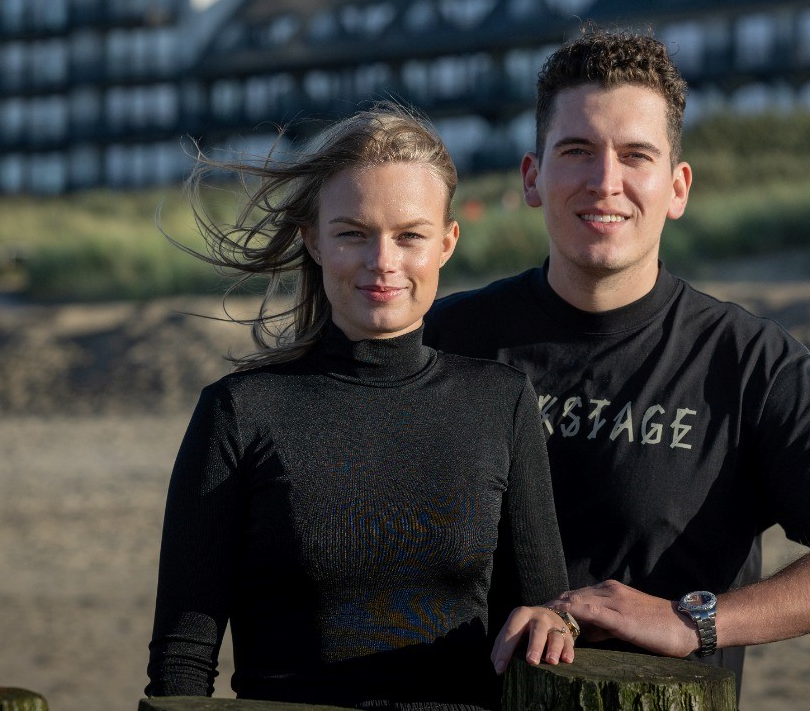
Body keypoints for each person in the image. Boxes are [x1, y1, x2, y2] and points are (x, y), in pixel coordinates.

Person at [425, 27, 810, 685]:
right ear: (533, 176)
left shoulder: (746, 362)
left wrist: (695, 618)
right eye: (577, 150)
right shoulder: (448, 336)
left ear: (677, 186)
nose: (605, 181)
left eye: (636, 155)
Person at [145, 104, 577, 710]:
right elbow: (182, 661)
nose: (383, 261)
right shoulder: (241, 413)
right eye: (353, 232)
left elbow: (542, 617)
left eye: (410, 235)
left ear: (447, 243)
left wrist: (559, 622)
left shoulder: (501, 402)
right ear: (314, 240)